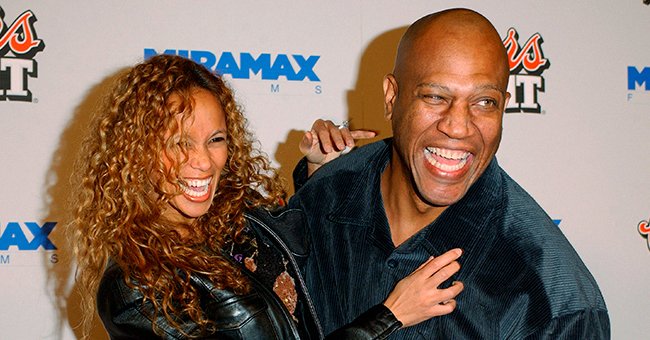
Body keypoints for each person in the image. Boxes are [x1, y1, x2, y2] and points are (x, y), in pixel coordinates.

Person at [68, 54, 464, 339]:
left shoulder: (232, 218)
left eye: (215, 140)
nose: (203, 163)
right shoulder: (132, 288)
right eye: (178, 144)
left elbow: (307, 257)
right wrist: (391, 315)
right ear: (139, 151)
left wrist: (318, 170)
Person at [291, 8, 610, 339]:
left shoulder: (553, 299)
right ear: (392, 97)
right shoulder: (324, 195)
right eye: (435, 96)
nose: (458, 127)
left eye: (484, 102)